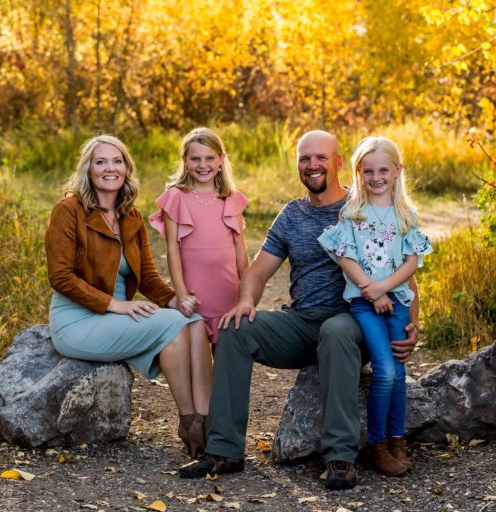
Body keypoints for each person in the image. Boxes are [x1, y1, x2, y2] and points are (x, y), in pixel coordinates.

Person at [178, 130, 419, 490]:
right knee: (235, 329)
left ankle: (340, 457)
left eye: (321, 157)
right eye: (305, 159)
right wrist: (245, 302)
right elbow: (258, 272)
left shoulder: (363, 207)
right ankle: (224, 450)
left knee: (335, 330)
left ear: (339, 163)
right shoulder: (292, 215)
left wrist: (412, 322)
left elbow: (401, 266)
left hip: (355, 323)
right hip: (302, 321)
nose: (312, 165)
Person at [45, 134, 212, 458]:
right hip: (78, 320)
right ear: (88, 170)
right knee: (176, 326)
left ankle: (196, 421)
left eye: (117, 161)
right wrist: (115, 305)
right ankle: (196, 423)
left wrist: (173, 299)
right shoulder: (69, 210)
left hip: (118, 317)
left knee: (191, 320)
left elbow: (147, 276)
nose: (111, 168)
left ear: (126, 168)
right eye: (101, 161)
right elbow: (60, 277)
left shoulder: (130, 216)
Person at [318, 136, 432, 476]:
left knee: (399, 372)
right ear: (358, 173)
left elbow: (412, 263)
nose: (376, 177)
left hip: (396, 301)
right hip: (366, 305)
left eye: (383, 169)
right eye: (368, 171)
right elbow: (346, 258)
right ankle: (378, 445)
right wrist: (373, 291)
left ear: (397, 171)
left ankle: (398, 440)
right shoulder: (353, 214)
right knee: (383, 370)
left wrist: (386, 289)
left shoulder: (405, 215)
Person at [149, 127, 249, 346]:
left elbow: (239, 247)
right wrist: (182, 293)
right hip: (195, 289)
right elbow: (173, 249)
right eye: (195, 159)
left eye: (210, 158)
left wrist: (246, 290)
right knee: (198, 349)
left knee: (228, 348)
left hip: (228, 289)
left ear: (221, 160)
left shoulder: (231, 198)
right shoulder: (175, 197)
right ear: (185, 160)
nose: (203, 165)